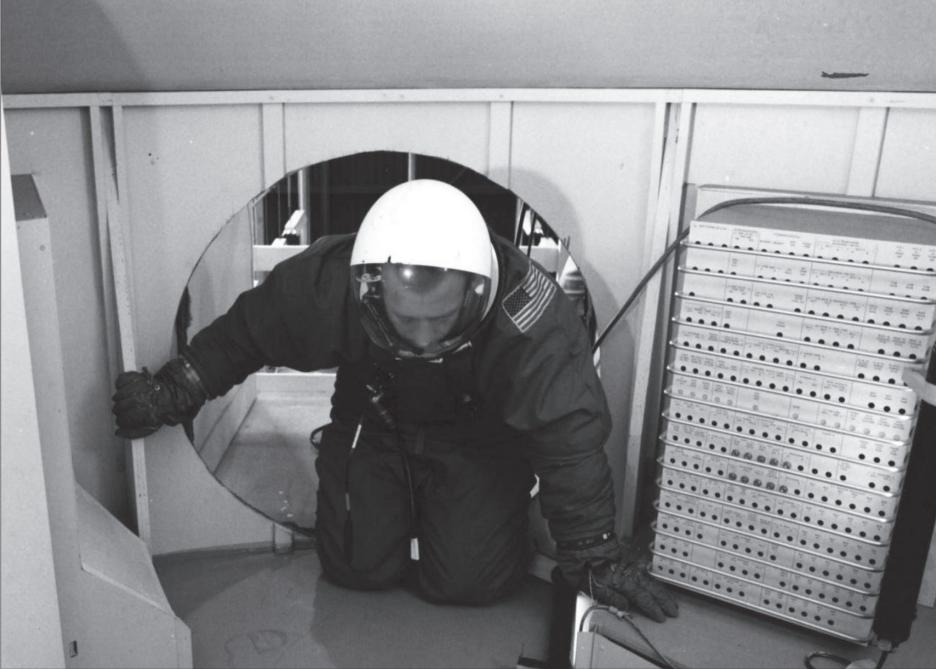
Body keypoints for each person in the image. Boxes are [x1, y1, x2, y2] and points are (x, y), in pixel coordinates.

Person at [112, 179, 678, 621]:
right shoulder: (327, 283)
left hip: (478, 437)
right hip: (373, 418)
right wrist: (174, 389)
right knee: (356, 568)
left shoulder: (531, 321)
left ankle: (481, 516)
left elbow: (568, 438)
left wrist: (593, 554)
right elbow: (246, 335)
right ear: (373, 286)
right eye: (408, 319)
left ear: (477, 290)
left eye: (442, 319)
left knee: (468, 584)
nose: (426, 339)